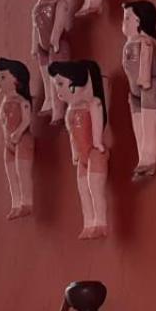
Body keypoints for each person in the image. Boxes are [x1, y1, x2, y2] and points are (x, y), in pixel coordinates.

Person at [49, 59, 110, 238]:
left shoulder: (93, 103)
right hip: (82, 156)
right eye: (56, 85)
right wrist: (74, 152)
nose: (58, 90)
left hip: (94, 153)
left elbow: (97, 126)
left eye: (61, 84)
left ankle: (100, 222)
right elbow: (71, 134)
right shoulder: (70, 110)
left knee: (95, 188)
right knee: (83, 190)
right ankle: (88, 222)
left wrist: (98, 143)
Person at [120, 0, 156, 179]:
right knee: (139, 130)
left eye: (127, 18)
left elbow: (145, 63)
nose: (124, 22)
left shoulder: (145, 42)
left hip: (149, 88)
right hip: (135, 93)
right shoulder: (129, 44)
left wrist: (144, 80)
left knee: (149, 128)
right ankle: (143, 161)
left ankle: (148, 159)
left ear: (139, 21)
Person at [26, 0, 72, 124]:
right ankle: (49, 100)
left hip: (57, 46)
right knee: (46, 76)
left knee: (57, 76)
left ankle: (59, 108)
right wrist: (34, 46)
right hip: (43, 47)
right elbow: (35, 28)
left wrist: (55, 40)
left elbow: (59, 24)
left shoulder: (60, 5)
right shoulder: (37, 8)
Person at [0, 58, 34, 217]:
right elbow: (3, 123)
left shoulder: (22, 101)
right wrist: (7, 138)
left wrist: (17, 133)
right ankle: (16, 202)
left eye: (3, 77)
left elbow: (26, 120)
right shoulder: (3, 103)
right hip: (9, 143)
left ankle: (26, 201)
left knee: (22, 172)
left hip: (22, 140)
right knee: (11, 174)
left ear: (16, 80)